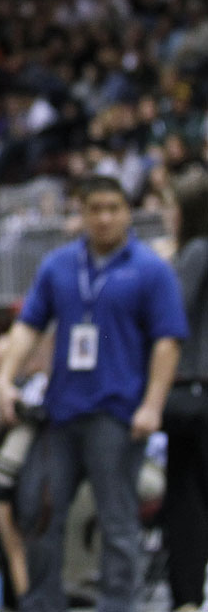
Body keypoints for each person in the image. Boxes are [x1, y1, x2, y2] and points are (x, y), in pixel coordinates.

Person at [0, 175, 188, 612]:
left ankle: (119, 606)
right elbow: (29, 326)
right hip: (61, 413)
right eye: (94, 209)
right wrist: (5, 378)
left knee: (116, 519)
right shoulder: (58, 266)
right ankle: (43, 603)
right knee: (40, 512)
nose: (103, 218)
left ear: (127, 212)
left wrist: (153, 405)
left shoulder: (150, 269)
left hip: (118, 413)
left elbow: (167, 341)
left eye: (113, 208)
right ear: (80, 214)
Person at [160, 169, 208, 612]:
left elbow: (170, 311)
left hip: (194, 392)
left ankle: (188, 599)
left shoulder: (194, 251)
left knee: (187, 502)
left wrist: (162, 265)